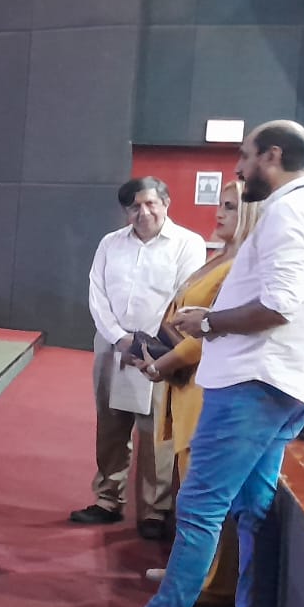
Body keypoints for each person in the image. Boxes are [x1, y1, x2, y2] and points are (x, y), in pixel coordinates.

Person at [79, 121, 304, 607]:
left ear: (272, 155)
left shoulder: (289, 213)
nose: (239, 168)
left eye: (245, 156)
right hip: (275, 384)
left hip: (253, 384)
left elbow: (280, 305)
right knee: (253, 510)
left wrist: (209, 322)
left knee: (199, 508)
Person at [130, 182, 262, 602]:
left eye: (230, 206)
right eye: (221, 204)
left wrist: (163, 363)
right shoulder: (220, 257)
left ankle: (213, 582)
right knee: (190, 491)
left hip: (207, 385)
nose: (219, 212)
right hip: (185, 384)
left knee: (205, 496)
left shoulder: (243, 267)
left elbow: (211, 333)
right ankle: (192, 571)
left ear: (252, 213)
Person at [70, 176, 203, 536]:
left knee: (156, 431)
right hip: (112, 344)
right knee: (110, 424)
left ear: (166, 203)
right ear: (125, 211)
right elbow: (97, 292)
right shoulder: (110, 243)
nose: (143, 212)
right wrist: (119, 338)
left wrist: (144, 345)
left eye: (150, 203)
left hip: (161, 349)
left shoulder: (188, 244)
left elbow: (182, 299)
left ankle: (154, 511)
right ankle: (107, 500)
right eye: (134, 207)